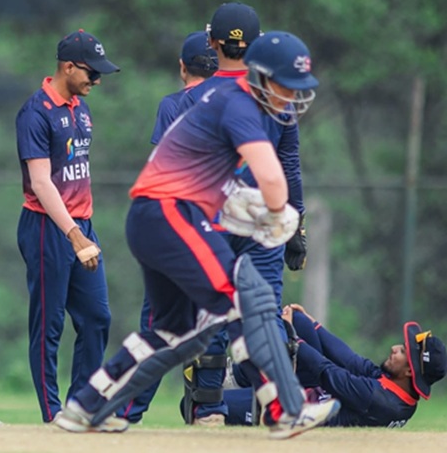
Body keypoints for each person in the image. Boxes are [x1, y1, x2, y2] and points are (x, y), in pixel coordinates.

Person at [56, 31, 340, 439]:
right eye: (287, 85)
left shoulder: (231, 100)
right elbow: (274, 183)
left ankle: (86, 406)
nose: (294, 95)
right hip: (170, 214)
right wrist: (279, 213)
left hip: (156, 217)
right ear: (261, 76)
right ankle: (285, 409)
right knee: (245, 298)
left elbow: (210, 173)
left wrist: (239, 204)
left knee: (176, 333)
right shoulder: (240, 104)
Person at [15, 29, 120, 425]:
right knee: (49, 324)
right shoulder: (36, 112)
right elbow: (41, 183)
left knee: (97, 318)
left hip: (82, 226)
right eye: (92, 73)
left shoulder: (82, 108)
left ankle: (83, 407)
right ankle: (52, 414)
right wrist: (74, 235)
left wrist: (82, 230)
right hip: (47, 228)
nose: (97, 81)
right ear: (69, 67)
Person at [122, 30, 218, 423]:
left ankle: (126, 411)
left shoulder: (173, 104)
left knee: (158, 325)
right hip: (218, 226)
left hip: (175, 224)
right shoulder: (234, 103)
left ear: (182, 67)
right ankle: (211, 408)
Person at [222, 304, 446, 428]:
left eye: (403, 352)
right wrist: (314, 324)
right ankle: (235, 377)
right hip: (314, 392)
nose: (395, 348)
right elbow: (351, 361)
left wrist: (293, 339)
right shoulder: (400, 387)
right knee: (300, 321)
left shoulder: (378, 399)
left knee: (204, 404)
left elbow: (327, 371)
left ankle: (246, 389)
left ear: (410, 371)